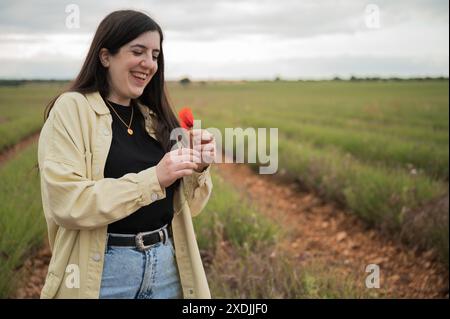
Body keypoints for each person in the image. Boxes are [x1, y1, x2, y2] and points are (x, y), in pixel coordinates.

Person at [37, 10, 215, 299]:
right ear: (106, 56)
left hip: (167, 272)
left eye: (155, 55)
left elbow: (190, 208)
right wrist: (155, 178)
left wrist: (198, 167)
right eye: (138, 51)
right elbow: (67, 202)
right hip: (104, 276)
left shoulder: (153, 119)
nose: (149, 63)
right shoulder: (73, 109)